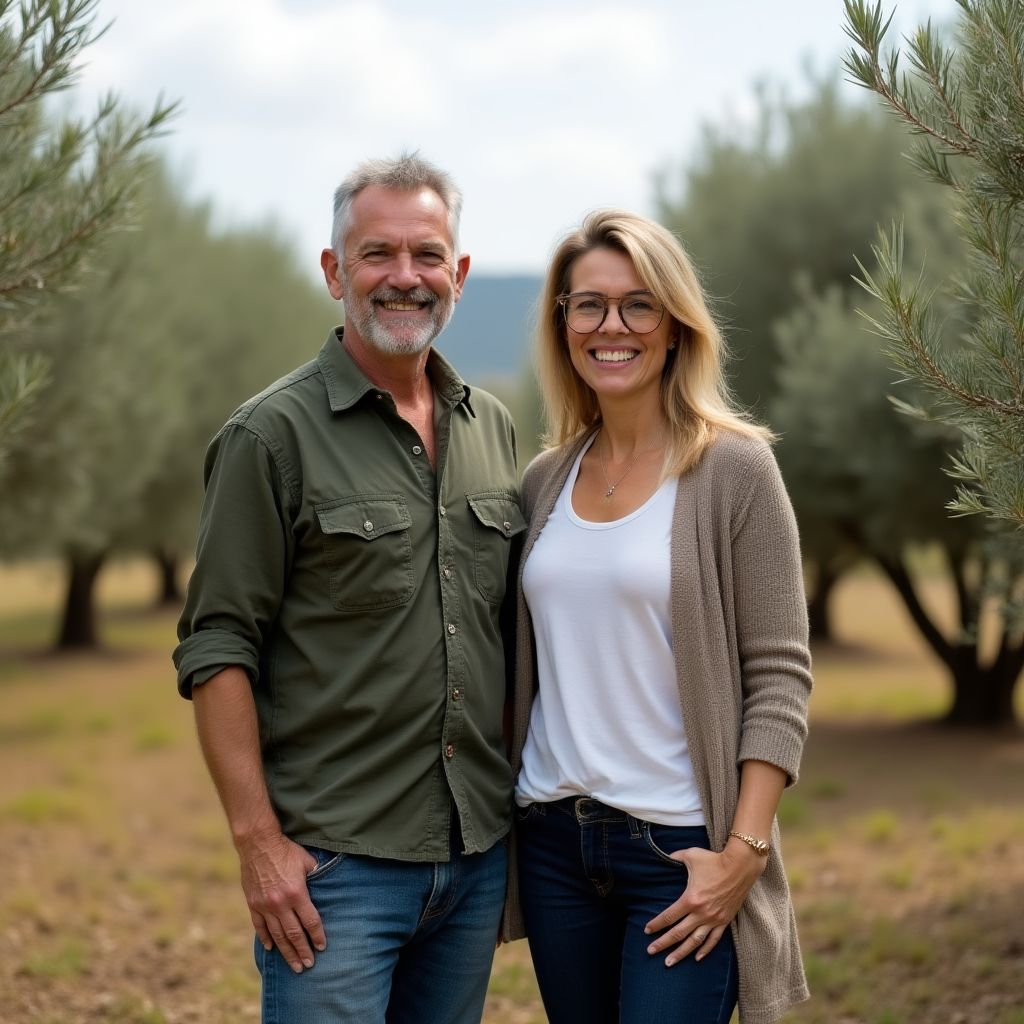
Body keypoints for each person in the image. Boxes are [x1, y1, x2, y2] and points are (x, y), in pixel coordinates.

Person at [173, 152, 524, 1024]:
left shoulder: (496, 432)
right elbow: (217, 644)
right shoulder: (269, 437)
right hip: (336, 872)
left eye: (428, 255)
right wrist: (258, 845)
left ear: (461, 275)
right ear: (335, 271)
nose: (404, 277)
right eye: (377, 254)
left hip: (475, 859)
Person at [501, 209, 812, 1024]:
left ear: (675, 327)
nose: (613, 326)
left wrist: (741, 854)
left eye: (639, 304)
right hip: (555, 846)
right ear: (563, 323)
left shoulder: (736, 470)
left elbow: (779, 676)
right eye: (589, 304)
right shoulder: (543, 482)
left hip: (678, 851)